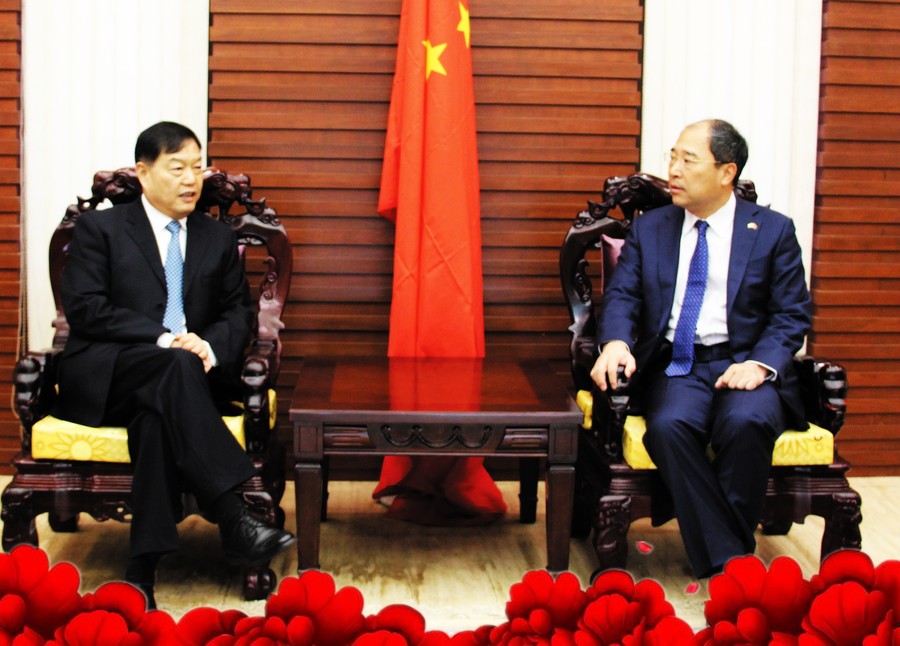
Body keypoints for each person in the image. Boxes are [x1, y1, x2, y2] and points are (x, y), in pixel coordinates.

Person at [53, 121, 295, 608]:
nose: (191, 179)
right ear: (143, 173)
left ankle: (139, 575)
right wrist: (164, 339)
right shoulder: (101, 230)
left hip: (185, 382)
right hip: (109, 375)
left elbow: (237, 313)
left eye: (197, 167)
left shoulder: (216, 238)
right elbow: (87, 309)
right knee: (172, 366)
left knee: (156, 419)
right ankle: (233, 514)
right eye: (177, 168)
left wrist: (208, 347)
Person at [590, 119, 812, 579]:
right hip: (678, 362)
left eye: (688, 160)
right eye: (672, 157)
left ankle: (722, 561)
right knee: (668, 427)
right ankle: (734, 563)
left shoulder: (773, 231)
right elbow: (623, 296)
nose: (673, 170)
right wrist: (615, 342)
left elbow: (791, 314)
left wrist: (760, 365)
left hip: (744, 362)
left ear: (726, 172)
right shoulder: (651, 228)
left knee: (747, 422)